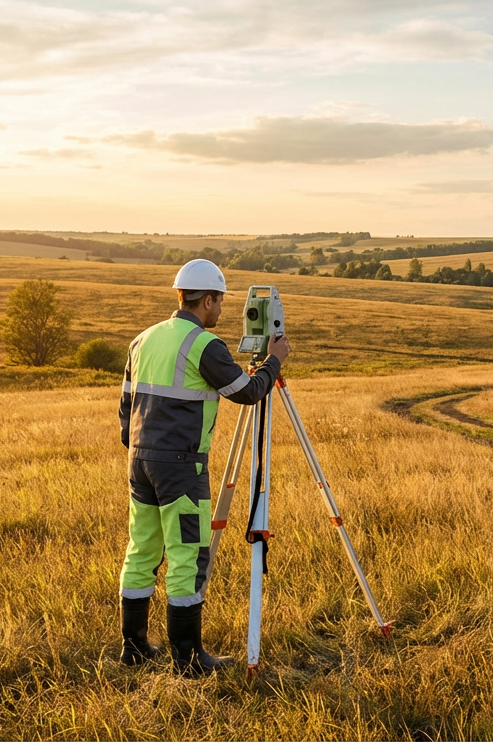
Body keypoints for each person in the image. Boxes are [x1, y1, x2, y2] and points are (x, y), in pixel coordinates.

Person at [117, 259, 290, 676]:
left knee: (142, 550)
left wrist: (141, 447)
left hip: (140, 460)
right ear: (207, 299)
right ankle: (188, 658)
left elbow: (126, 406)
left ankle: (134, 648)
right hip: (180, 468)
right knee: (187, 556)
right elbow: (247, 392)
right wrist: (274, 361)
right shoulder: (203, 345)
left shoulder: (144, 339)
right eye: (220, 302)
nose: (221, 310)